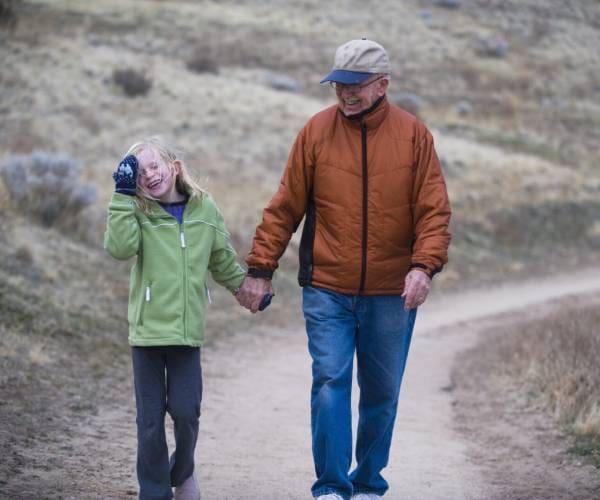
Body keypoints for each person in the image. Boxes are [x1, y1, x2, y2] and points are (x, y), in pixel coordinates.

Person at [236, 39, 451, 500]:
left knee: (381, 393)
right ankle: (331, 488)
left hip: (392, 291)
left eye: (355, 85)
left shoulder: (414, 137)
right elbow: (284, 207)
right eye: (338, 84)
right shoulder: (315, 132)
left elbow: (434, 212)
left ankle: (369, 484)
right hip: (327, 287)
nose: (344, 94)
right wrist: (259, 268)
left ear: (381, 86)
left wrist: (423, 267)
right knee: (331, 380)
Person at [104, 136, 247, 500]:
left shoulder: (205, 209)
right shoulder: (137, 210)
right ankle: (154, 492)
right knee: (149, 422)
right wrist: (122, 197)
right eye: (138, 174)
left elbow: (222, 261)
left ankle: (183, 473)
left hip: (186, 333)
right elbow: (119, 249)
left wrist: (246, 290)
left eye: (155, 166)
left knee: (186, 413)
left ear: (174, 167)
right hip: (148, 333)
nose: (149, 176)